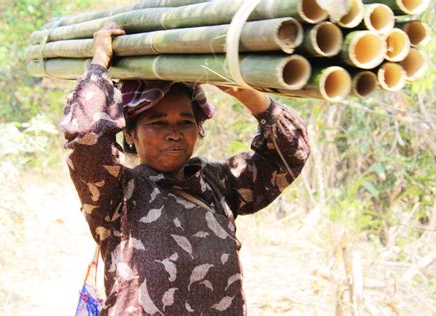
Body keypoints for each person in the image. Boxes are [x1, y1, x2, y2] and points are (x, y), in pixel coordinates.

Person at [61, 22, 310, 315]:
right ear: (130, 134)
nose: (174, 133)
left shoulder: (220, 184)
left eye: (185, 122)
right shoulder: (114, 194)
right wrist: (99, 65)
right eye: (158, 123)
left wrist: (249, 96)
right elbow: (85, 136)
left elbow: (291, 153)